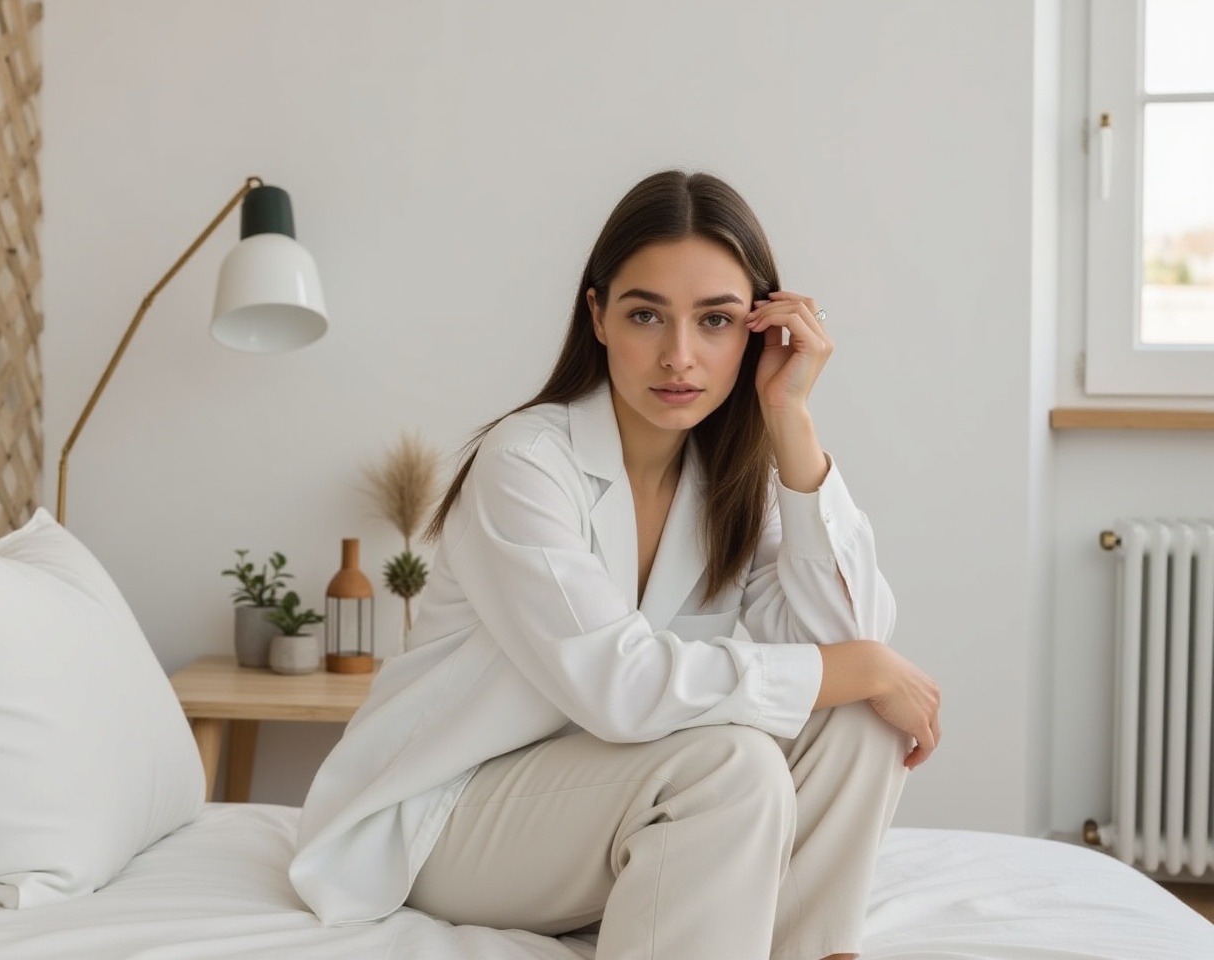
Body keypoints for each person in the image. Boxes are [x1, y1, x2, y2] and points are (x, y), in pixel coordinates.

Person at [288, 170, 942, 960]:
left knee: (859, 718)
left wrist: (790, 419)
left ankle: (811, 951)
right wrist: (866, 665)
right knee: (733, 764)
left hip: (604, 804)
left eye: (716, 321)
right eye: (645, 315)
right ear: (597, 316)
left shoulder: (734, 480)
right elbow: (620, 690)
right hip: (450, 817)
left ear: (758, 332)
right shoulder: (525, 463)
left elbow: (843, 636)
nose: (679, 356)